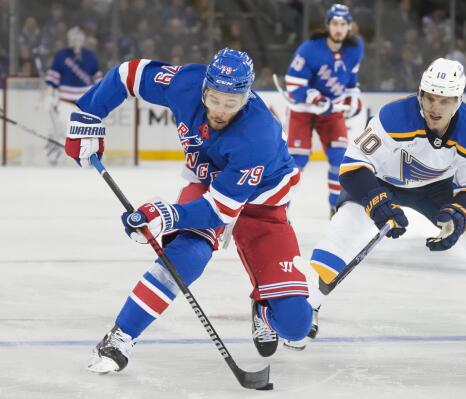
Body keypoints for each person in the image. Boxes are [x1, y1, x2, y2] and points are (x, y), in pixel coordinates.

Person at [286, 58, 466, 350]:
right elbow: (353, 166)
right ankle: (307, 307)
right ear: (420, 94)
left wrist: (459, 214)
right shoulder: (393, 117)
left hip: (435, 190)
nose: (435, 108)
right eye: (430, 97)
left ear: (458, 100)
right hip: (379, 182)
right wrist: (377, 202)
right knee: (344, 230)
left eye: (445, 101)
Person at [64, 48, 314, 373]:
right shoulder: (186, 83)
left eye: (231, 103)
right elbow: (130, 74)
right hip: (210, 183)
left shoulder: (257, 135)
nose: (220, 110)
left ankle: (264, 304)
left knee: (295, 325)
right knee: (187, 255)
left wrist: (166, 215)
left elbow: (218, 211)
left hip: (263, 204)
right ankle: (120, 336)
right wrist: (88, 114)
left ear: (247, 96)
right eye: (214, 99)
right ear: (205, 88)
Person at [284, 3, 364, 217]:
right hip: (303, 109)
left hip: (331, 110)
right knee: (296, 161)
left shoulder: (356, 47)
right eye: (335, 23)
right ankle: (280, 210)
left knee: (340, 158)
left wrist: (353, 98)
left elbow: (351, 81)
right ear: (328, 25)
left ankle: (336, 208)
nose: (339, 28)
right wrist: (315, 98)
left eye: (343, 24)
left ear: (349, 26)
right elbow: (293, 82)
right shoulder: (310, 48)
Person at [44, 26, 102, 152]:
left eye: (79, 36)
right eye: (73, 37)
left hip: (85, 104)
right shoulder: (61, 56)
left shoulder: (90, 56)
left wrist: (101, 99)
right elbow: (51, 80)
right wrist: (48, 96)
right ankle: (53, 157)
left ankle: (85, 157)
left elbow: (98, 82)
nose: (76, 40)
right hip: (65, 102)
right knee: (61, 132)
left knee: (85, 135)